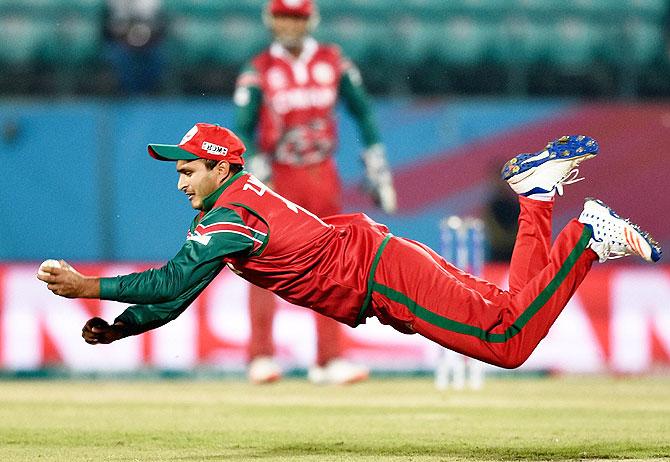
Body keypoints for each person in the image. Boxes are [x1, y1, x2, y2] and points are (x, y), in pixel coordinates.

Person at [38, 124, 662, 372]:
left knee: (508, 342)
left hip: (381, 275)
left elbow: (172, 281)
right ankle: (536, 194)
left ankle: (587, 237)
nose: (180, 183)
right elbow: (179, 294)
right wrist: (121, 329)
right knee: (511, 306)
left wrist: (89, 287)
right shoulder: (230, 214)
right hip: (382, 264)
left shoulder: (229, 218)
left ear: (220, 168)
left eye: (187, 171)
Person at [231, 0, 397, 384]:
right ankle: (260, 356)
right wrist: (255, 166)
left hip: (322, 172)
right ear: (270, 18)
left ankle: (329, 358)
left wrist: (376, 164)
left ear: (312, 19)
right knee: (261, 262)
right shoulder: (259, 69)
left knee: (330, 265)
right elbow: (243, 126)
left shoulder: (332, 61)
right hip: (277, 176)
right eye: (284, 16)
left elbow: (364, 112)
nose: (291, 25)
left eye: (299, 17)